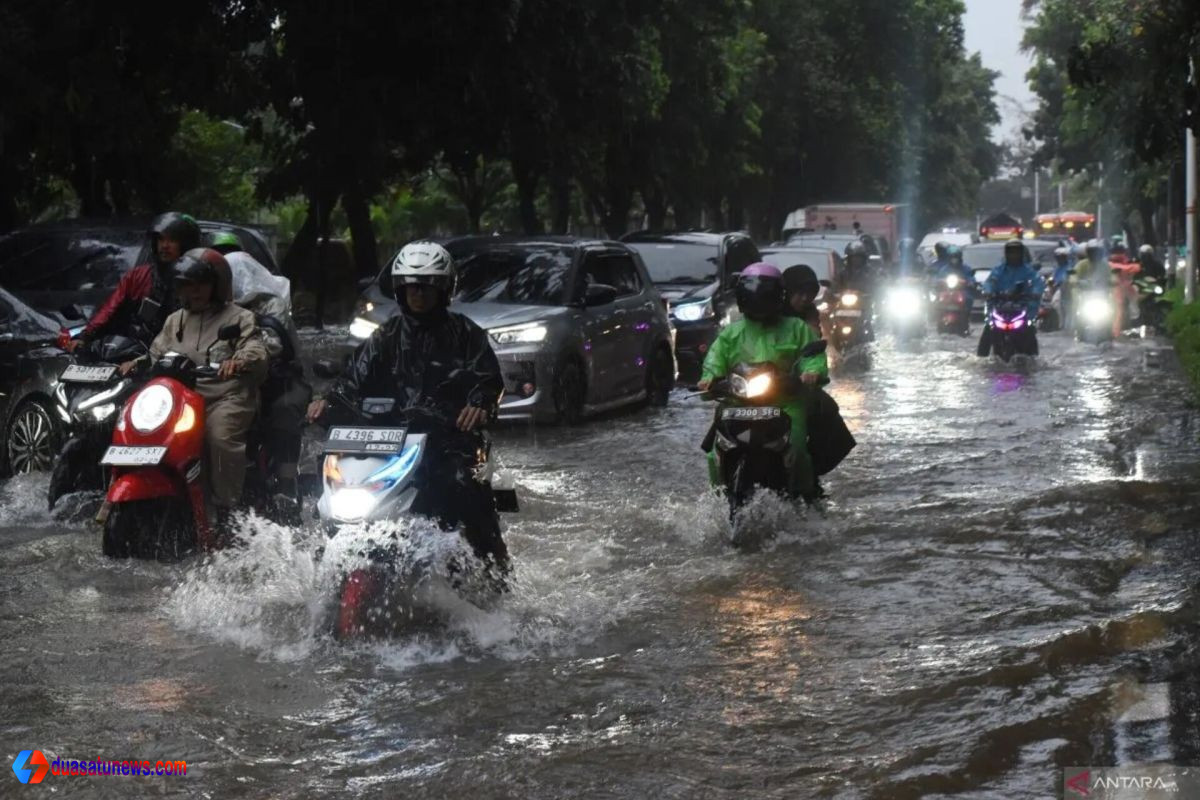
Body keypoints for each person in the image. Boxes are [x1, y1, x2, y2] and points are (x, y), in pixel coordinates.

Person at [305, 241, 508, 567]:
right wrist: (328, 401)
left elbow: (488, 380)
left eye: (427, 286)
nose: (419, 294)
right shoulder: (386, 336)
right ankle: (323, 555)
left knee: (465, 487)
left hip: (449, 440)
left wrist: (479, 403)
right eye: (412, 286)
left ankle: (494, 574)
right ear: (400, 290)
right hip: (388, 437)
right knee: (326, 471)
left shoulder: (466, 334)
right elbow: (352, 378)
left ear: (443, 288)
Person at [121, 248, 269, 519]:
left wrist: (238, 361)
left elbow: (256, 350)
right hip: (180, 400)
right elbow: (156, 352)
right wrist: (137, 363)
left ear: (218, 285)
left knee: (219, 438)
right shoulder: (174, 320)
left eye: (201, 284)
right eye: (187, 285)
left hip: (225, 397)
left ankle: (227, 511)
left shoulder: (239, 318)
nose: (194, 291)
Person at [698, 263, 829, 501]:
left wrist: (811, 373)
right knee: (713, 454)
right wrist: (708, 380)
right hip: (737, 405)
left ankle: (806, 496)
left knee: (797, 449)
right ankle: (716, 500)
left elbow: (813, 357)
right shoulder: (731, 333)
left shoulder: (797, 328)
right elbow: (715, 360)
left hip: (785, 404)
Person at [211, 231, 310, 497]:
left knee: (284, 415)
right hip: (231, 381)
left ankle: (287, 484)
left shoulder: (272, 304)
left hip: (279, 378)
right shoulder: (216, 306)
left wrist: (239, 358)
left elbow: (273, 344)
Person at [68, 212, 201, 351]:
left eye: (172, 240)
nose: (164, 246)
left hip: (182, 353)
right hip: (138, 350)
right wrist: (85, 336)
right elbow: (110, 309)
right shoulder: (139, 276)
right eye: (161, 239)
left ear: (186, 244)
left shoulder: (200, 280)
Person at [977, 239, 1044, 357]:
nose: (1013, 255)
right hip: (1000, 306)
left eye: (1016, 252)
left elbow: (1037, 283)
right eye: (1011, 252)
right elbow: (990, 282)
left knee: (1029, 329)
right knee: (988, 329)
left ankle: (1033, 358)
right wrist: (988, 291)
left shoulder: (1028, 271)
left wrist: (1035, 292)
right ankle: (981, 358)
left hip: (1022, 307)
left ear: (1021, 254)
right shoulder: (999, 270)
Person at [782, 264, 822, 330]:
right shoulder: (773, 317)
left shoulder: (811, 313)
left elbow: (815, 337)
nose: (805, 298)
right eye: (800, 293)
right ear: (788, 292)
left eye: (810, 293)